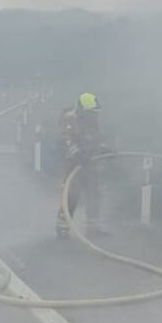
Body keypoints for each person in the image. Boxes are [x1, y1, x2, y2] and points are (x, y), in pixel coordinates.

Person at [55, 92, 110, 238]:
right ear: (83, 111)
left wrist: (105, 149)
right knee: (71, 196)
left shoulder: (93, 121)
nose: (95, 115)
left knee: (94, 195)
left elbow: (95, 140)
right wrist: (78, 154)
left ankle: (93, 228)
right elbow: (65, 141)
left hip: (90, 165)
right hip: (74, 166)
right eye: (92, 112)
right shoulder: (70, 119)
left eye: (95, 112)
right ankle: (62, 227)